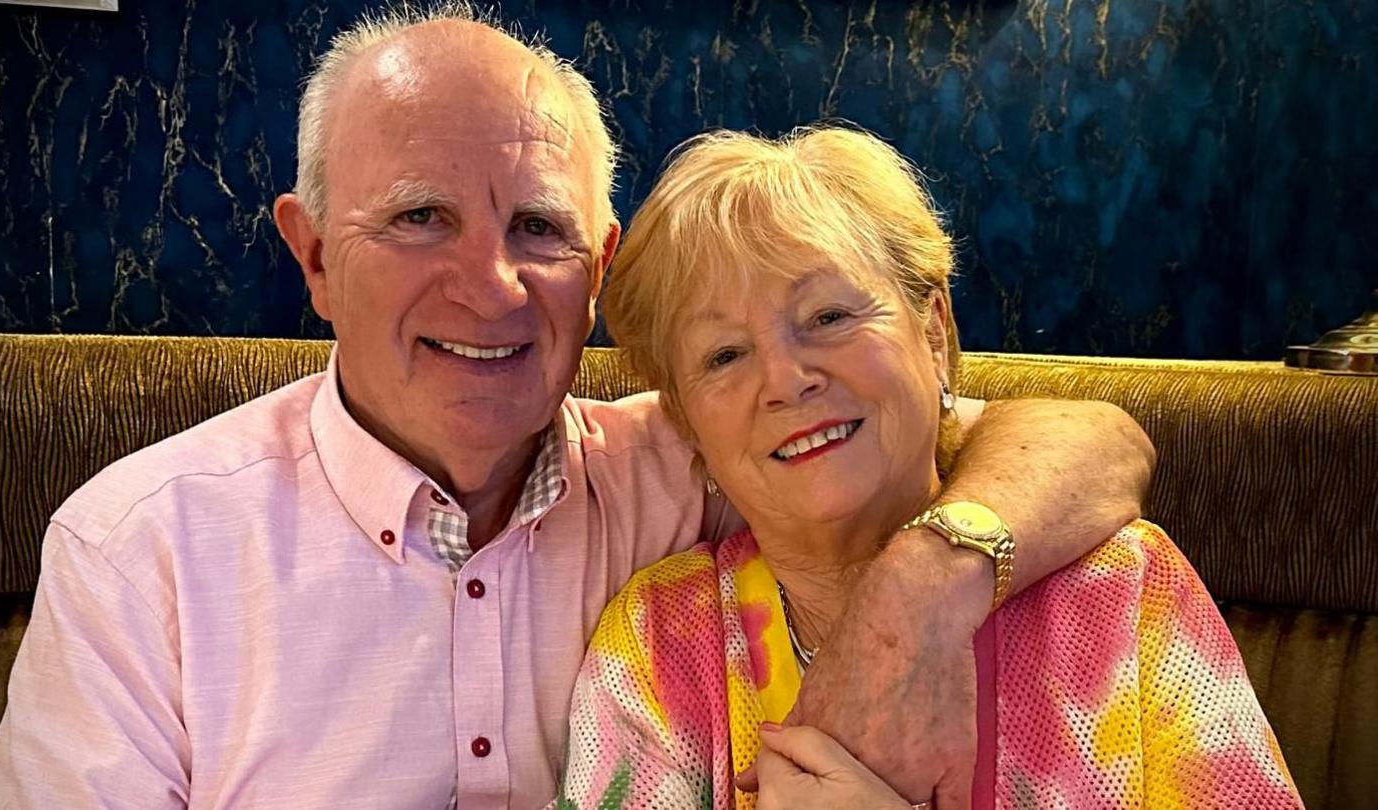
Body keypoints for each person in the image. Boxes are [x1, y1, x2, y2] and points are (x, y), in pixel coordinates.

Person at [0, 7, 1157, 809]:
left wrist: (919, 589)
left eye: (537, 229)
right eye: (420, 217)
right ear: (315, 258)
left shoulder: (704, 447)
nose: (490, 284)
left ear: (598, 271)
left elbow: (1087, 439)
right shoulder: (143, 552)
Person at [557, 127, 1302, 809]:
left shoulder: (1122, 590)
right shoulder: (660, 643)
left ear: (935, 332)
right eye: (724, 356)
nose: (785, 379)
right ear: (688, 424)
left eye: (828, 317)